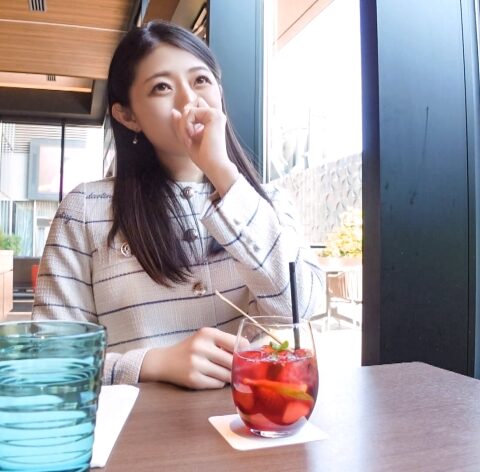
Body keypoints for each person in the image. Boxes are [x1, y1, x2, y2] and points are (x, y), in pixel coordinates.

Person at [32, 20, 325, 388]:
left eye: (201, 80)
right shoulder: (85, 210)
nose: (190, 100)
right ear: (128, 116)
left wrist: (223, 173)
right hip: (142, 424)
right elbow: (50, 359)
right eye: (162, 87)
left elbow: (301, 309)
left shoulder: (269, 203)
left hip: (252, 415)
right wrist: (151, 363)